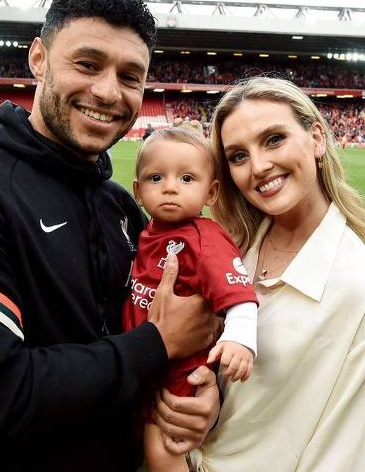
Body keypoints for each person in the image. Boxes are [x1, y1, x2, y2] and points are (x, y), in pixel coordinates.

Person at [0, 0, 220, 471]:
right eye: (87, 64)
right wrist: (157, 346)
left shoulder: (121, 206)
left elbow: (148, 344)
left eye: (131, 76)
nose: (109, 92)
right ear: (39, 59)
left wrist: (197, 396)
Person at [183, 77, 365, 472]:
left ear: (316, 139)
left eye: (273, 139)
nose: (259, 166)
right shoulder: (230, 251)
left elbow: (346, 458)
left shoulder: (362, 293)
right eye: (238, 156)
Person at [125, 128, 258, 472]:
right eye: (156, 177)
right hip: (145, 363)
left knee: (162, 451)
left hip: (181, 370)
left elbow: (238, 293)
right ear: (138, 191)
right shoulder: (147, 232)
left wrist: (240, 337)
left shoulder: (205, 239)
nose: (170, 187)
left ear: (211, 191)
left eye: (186, 178)